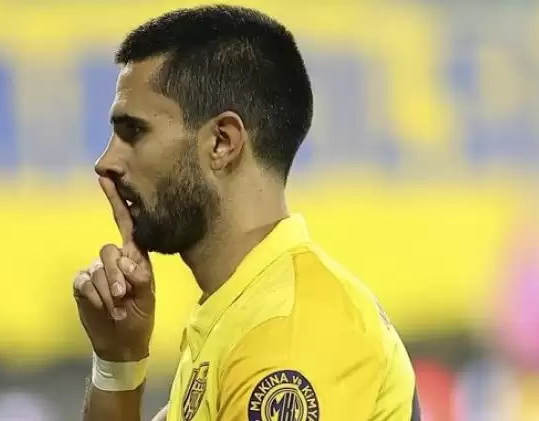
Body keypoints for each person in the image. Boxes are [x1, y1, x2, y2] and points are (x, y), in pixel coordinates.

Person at [72, 5, 420, 421]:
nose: (106, 162)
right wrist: (119, 360)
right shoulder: (238, 314)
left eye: (134, 132)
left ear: (222, 142)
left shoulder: (289, 331)